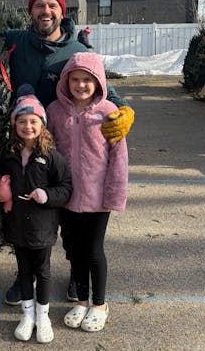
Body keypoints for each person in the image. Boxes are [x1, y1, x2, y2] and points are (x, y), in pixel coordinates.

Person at [0, 0, 134, 304]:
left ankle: (76, 276)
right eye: (39, 5)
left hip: (65, 148)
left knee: (71, 219)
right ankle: (22, 276)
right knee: (24, 215)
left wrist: (125, 109)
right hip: (25, 143)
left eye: (52, 6)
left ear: (62, 11)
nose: (46, 11)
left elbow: (103, 88)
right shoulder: (16, 41)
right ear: (31, 12)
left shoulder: (76, 48)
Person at [47, 51, 128, 332]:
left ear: (98, 82)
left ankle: (100, 304)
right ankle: (81, 301)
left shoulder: (108, 112)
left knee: (94, 251)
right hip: (67, 197)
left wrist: (114, 195)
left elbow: (118, 158)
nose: (80, 85)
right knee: (75, 251)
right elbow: (48, 150)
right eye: (75, 79)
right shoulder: (54, 111)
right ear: (66, 81)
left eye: (87, 80)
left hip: (97, 199)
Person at [0, 84, 72, 344]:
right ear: (15, 124)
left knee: (44, 272)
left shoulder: (51, 156)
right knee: (24, 271)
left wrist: (46, 195)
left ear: (42, 124)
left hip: (42, 226)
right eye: (22, 121)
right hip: (17, 225)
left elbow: (66, 187)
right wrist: (0, 190)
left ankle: (44, 315)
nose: (28, 126)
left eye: (33, 121)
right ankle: (27, 316)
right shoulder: (10, 154)